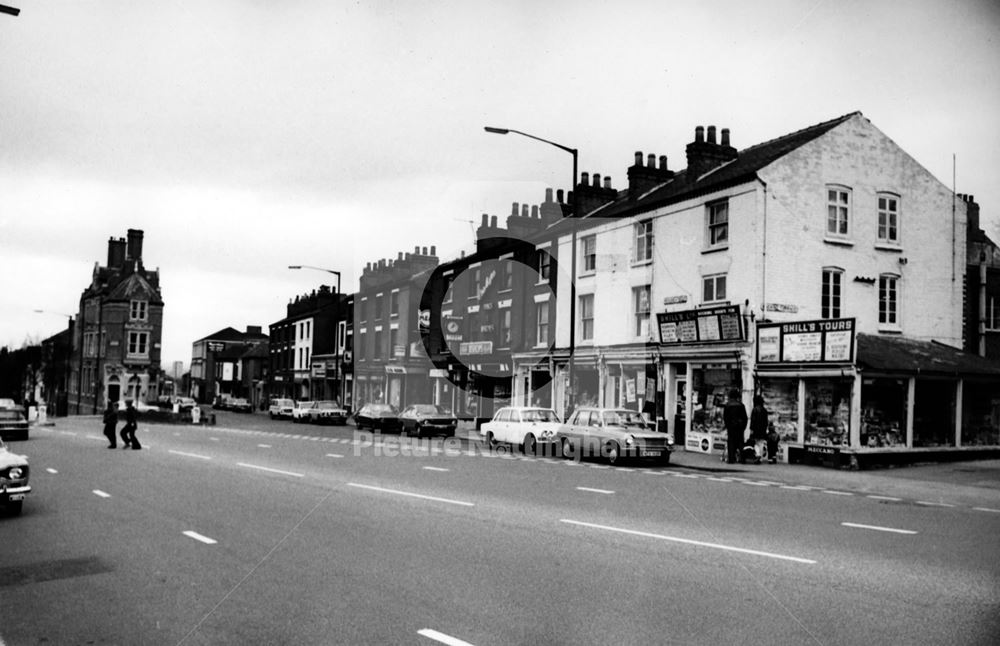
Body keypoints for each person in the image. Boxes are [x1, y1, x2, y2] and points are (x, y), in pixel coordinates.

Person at [722, 388, 748, 464]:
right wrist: (743, 427)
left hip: (731, 427)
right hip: (739, 427)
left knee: (731, 443)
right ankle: (742, 458)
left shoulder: (728, 405)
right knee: (740, 443)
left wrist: (727, 426)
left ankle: (731, 459)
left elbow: (725, 417)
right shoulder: (741, 405)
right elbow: (745, 418)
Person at [749, 395, 769, 464]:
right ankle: (760, 457)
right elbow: (766, 422)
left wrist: (751, 429)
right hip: (762, 429)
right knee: (761, 443)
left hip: (756, 429)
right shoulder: (764, 410)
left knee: (756, 443)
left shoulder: (755, 409)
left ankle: (757, 454)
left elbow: (753, 420)